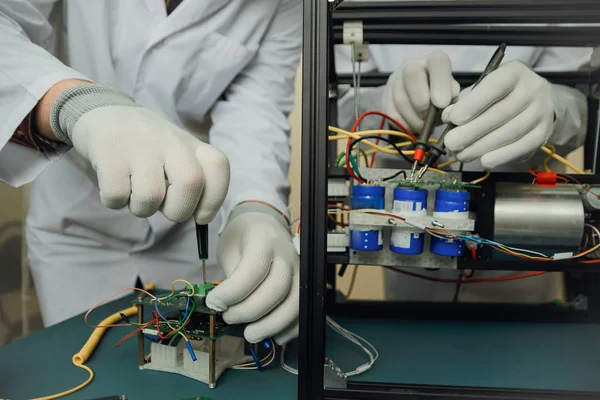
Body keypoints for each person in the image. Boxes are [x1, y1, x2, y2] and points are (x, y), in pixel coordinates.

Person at [0, 0, 300, 345]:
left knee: (205, 352)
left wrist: (258, 208)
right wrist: (76, 105)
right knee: (87, 368)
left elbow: (255, 111)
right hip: (76, 225)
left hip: (191, 224)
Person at [336, 41, 592, 302]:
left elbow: (585, 97)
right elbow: (340, 104)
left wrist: (555, 107)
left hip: (524, 248)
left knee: (522, 330)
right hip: (410, 275)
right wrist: (383, 103)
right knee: (411, 328)